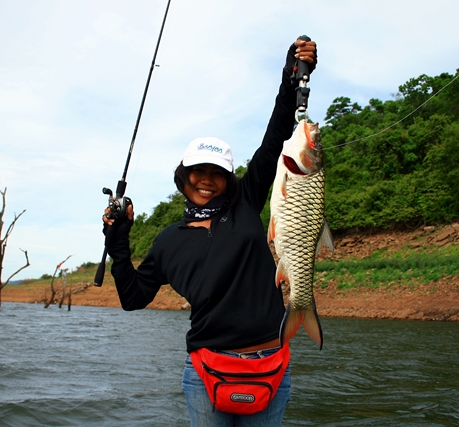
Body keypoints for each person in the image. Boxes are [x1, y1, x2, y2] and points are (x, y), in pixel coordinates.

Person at [102, 37, 317, 426]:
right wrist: (119, 242)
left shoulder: (246, 203)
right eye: (197, 172)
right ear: (183, 177)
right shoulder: (169, 239)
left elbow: (274, 138)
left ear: (229, 178)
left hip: (271, 365)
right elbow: (133, 297)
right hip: (205, 372)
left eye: (217, 173)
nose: (206, 180)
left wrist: (291, 80)